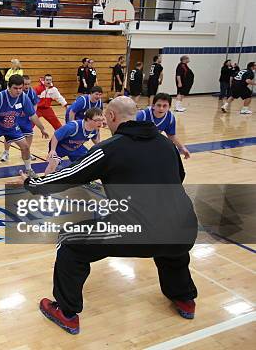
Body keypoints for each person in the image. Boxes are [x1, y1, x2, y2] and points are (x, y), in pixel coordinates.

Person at [21, 96, 198, 335]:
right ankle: (185, 298)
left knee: (69, 241)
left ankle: (66, 311)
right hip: (186, 229)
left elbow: (70, 176)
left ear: (112, 116)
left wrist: (32, 183)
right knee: (171, 238)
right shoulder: (167, 145)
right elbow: (180, 177)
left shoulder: (108, 148)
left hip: (139, 233)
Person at [0, 75, 49, 176]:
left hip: (11, 127)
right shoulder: (1, 97)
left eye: (20, 88)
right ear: (9, 87)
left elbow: (32, 115)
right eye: (15, 88)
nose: (19, 91)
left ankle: (29, 170)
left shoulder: (24, 97)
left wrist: (42, 129)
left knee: (25, 147)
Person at [43, 107, 103, 175]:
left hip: (76, 148)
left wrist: (103, 148)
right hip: (60, 147)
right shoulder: (73, 127)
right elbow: (56, 136)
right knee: (53, 163)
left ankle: (84, 181)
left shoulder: (95, 129)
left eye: (102, 120)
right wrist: (53, 150)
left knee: (87, 163)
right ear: (88, 119)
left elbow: (95, 140)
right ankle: (45, 182)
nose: (100, 123)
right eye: (97, 120)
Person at [136, 93, 190, 158]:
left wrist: (182, 148)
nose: (161, 108)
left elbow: (171, 135)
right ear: (153, 106)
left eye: (165, 106)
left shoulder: (170, 118)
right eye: (159, 105)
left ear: (169, 107)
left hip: (152, 143)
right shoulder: (142, 115)